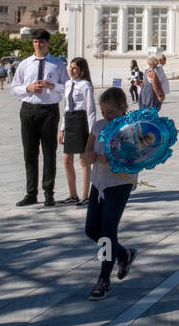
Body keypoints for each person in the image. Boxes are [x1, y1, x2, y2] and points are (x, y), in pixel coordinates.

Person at [79, 88, 139, 300]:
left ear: (123, 108)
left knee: (107, 232)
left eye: (111, 112)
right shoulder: (98, 126)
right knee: (91, 229)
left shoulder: (130, 128)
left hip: (119, 184)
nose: (107, 116)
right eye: (103, 111)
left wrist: (112, 160)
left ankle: (104, 280)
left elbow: (134, 158)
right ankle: (123, 254)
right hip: (99, 183)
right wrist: (89, 156)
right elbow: (87, 151)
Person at [10, 29, 67, 207]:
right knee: (30, 153)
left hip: (49, 111)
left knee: (49, 153)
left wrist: (52, 85)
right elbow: (14, 88)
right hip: (29, 110)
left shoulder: (57, 64)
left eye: (42, 42)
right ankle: (31, 193)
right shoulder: (25, 64)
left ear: (48, 43)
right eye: (35, 42)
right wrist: (28, 89)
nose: (38, 45)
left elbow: (67, 86)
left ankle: (49, 193)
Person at [58, 57, 98, 206]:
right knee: (67, 160)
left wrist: (92, 132)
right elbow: (66, 107)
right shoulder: (68, 84)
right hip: (70, 120)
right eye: (70, 67)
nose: (71, 70)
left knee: (83, 160)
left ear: (81, 70)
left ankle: (85, 196)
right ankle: (72, 195)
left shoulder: (85, 85)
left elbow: (91, 109)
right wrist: (62, 129)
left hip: (81, 121)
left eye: (74, 68)